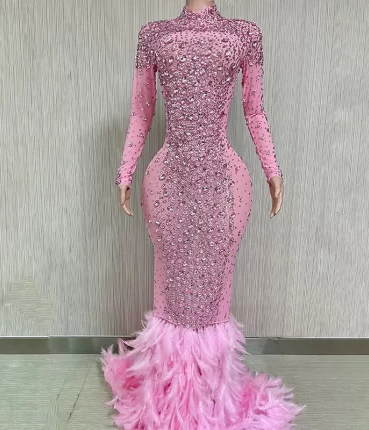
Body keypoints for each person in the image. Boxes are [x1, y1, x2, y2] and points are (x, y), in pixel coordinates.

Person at [101, 1, 303, 428]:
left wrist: (273, 170)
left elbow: (254, 110)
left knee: (214, 299)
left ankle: (211, 402)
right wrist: (125, 171)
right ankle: (168, 401)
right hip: (168, 185)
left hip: (223, 188)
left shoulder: (244, 34)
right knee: (171, 296)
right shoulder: (153, 35)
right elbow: (141, 110)